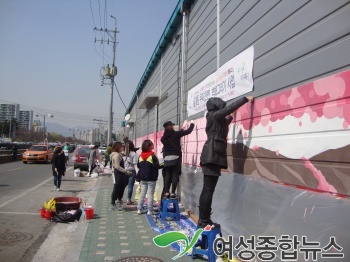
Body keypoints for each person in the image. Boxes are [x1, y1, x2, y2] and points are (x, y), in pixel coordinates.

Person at [198, 96, 254, 228]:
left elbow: (226, 119)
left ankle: (204, 218)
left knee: (208, 189)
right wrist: (245, 99)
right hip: (211, 156)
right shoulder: (213, 115)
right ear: (216, 106)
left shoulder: (216, 120)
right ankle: (203, 220)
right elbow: (228, 110)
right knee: (208, 189)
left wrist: (231, 117)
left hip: (213, 156)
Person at [161, 120, 195, 198]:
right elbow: (188, 131)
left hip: (166, 158)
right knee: (175, 175)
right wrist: (192, 124)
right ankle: (173, 192)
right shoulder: (176, 134)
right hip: (176, 157)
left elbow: (174, 136)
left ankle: (167, 192)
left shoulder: (163, 138)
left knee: (168, 175)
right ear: (171, 127)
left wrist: (181, 130)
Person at [137, 139, 162, 215]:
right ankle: (150, 210)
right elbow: (157, 166)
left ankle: (139, 209)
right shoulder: (152, 156)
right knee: (150, 194)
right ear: (149, 147)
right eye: (152, 144)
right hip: (151, 178)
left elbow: (138, 166)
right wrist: (164, 164)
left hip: (143, 178)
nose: (153, 145)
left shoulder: (140, 156)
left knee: (142, 193)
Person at [110, 142, 132, 211]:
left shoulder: (119, 154)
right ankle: (113, 203)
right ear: (118, 147)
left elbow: (126, 154)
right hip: (117, 173)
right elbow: (117, 166)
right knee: (117, 187)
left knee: (121, 186)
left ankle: (119, 200)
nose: (122, 148)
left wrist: (127, 147)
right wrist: (126, 171)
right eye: (121, 147)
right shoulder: (116, 155)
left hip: (120, 173)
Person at [124, 140, 140, 205]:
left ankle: (119, 199)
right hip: (131, 171)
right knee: (130, 186)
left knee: (122, 186)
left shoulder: (124, 154)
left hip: (124, 171)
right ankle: (128, 200)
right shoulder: (134, 154)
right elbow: (135, 163)